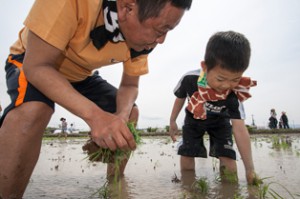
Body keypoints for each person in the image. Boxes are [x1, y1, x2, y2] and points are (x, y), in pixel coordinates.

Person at [0, 0, 192, 198]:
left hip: (82, 74)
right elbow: (37, 67)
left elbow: (129, 85)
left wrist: (120, 116)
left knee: (130, 114)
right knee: (34, 110)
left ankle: (114, 185)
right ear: (128, 7)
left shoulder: (144, 42)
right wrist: (95, 116)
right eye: (161, 29)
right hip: (34, 60)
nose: (162, 40)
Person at [169, 31, 258, 184]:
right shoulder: (190, 79)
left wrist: (250, 170)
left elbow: (239, 128)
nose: (226, 85)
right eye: (221, 78)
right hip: (194, 119)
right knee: (187, 153)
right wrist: (172, 121)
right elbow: (180, 98)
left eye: (235, 79)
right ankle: (188, 187)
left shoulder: (234, 94)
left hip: (220, 121)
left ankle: (229, 190)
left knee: (228, 157)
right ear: (205, 67)